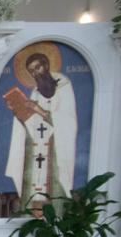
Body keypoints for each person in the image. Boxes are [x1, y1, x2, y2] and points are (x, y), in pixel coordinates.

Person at [5, 51, 77, 213]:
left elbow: (68, 120)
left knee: (55, 189)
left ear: (46, 65)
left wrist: (39, 110)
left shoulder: (64, 86)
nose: (35, 73)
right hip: (36, 150)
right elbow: (30, 124)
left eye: (37, 67)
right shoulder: (36, 92)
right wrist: (18, 109)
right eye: (31, 71)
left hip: (56, 150)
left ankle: (57, 216)